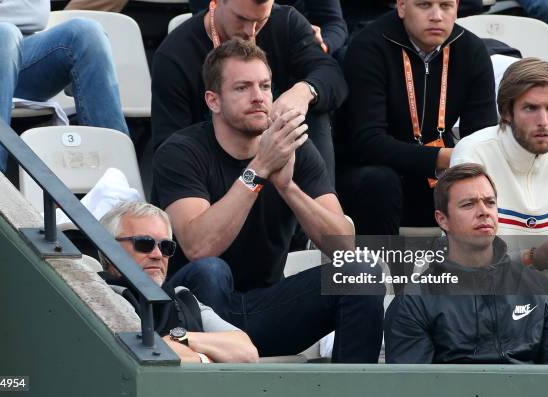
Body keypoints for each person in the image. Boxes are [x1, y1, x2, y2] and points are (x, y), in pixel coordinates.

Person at [152, 38, 384, 362]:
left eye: (265, 86)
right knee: (210, 270)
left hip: (266, 306)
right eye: (243, 88)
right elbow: (198, 247)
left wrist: (288, 188)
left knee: (362, 273)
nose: (259, 97)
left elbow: (343, 245)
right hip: (197, 312)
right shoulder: (182, 152)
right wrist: (258, 169)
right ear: (213, 100)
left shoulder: (295, 149)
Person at [336, 0, 498, 235]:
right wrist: (445, 157)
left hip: (435, 173)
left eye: (446, 6)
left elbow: (482, 136)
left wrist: (461, 161)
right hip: (370, 171)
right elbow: (366, 142)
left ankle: (475, 269)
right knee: (380, 182)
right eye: (424, 5)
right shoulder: (369, 46)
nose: (436, 16)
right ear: (401, 7)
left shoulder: (470, 49)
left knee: (483, 181)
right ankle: (379, 270)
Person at [385, 163, 548, 364]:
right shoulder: (413, 303)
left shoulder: (541, 289)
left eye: (490, 202)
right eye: (468, 204)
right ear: (442, 220)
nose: (484, 211)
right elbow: (412, 388)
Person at [151, 0, 348, 183]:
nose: (250, 32)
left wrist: (303, 92)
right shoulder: (176, 55)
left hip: (283, 167)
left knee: (314, 106)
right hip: (213, 174)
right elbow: (168, 147)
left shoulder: (285, 22)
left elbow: (331, 74)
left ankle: (320, 199)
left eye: (261, 21)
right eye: (241, 19)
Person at [0, 0, 128, 170]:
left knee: (87, 32)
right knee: (1, 33)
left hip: (12, 51)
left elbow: (37, 13)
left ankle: (118, 181)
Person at [452, 58, 548, 282]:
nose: (543, 121)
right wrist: (531, 258)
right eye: (530, 108)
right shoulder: (473, 153)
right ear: (506, 112)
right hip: (488, 297)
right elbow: (464, 260)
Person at [99, 201, 259, 364]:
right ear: (108, 249)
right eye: (144, 243)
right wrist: (207, 357)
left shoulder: (182, 297)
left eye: (166, 246)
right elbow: (145, 354)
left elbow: (247, 352)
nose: (158, 254)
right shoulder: (98, 297)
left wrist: (179, 337)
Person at [188, 0, 348, 56]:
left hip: (293, 51)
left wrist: (320, 45)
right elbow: (211, 19)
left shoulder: (290, 22)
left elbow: (333, 23)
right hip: (226, 49)